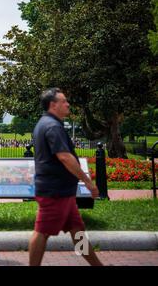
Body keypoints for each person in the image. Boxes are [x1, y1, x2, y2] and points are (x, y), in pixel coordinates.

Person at [29, 88, 103, 266]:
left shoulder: (46, 123)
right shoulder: (52, 126)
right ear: (53, 105)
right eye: (64, 101)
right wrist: (88, 182)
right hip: (55, 191)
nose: (68, 104)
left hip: (62, 191)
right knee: (42, 232)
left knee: (77, 232)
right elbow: (64, 156)